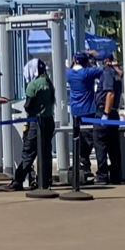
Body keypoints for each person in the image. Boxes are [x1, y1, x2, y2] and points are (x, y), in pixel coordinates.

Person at [11, 58, 55, 191]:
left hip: (35, 122)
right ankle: (45, 179)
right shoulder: (48, 82)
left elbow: (28, 106)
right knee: (46, 152)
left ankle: (18, 180)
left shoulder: (33, 85)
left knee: (28, 152)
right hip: (49, 121)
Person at [65, 54, 101, 185]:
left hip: (75, 110)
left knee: (78, 137)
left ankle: (82, 163)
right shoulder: (87, 73)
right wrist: (94, 57)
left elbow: (68, 68)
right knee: (89, 138)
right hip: (88, 110)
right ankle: (84, 164)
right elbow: (101, 71)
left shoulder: (69, 74)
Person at [96, 55, 122, 184]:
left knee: (101, 144)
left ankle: (102, 176)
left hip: (105, 111)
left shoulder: (107, 73)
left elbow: (110, 93)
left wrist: (105, 113)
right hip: (113, 112)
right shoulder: (117, 74)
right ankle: (116, 175)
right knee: (114, 147)